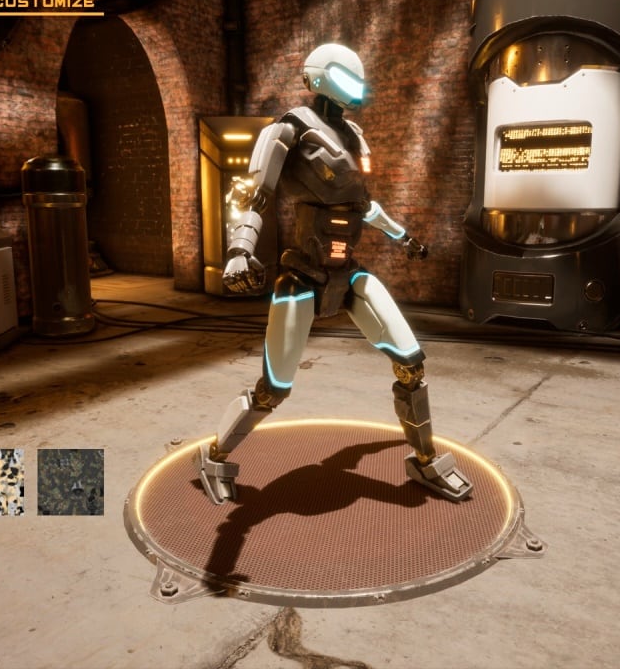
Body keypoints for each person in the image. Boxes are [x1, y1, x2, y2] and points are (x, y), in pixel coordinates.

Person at [196, 43, 473, 505]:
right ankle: (214, 456)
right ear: (320, 77)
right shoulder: (290, 128)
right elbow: (253, 192)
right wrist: (240, 249)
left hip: (348, 275)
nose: (355, 88)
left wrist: (404, 237)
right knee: (273, 391)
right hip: (302, 276)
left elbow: (364, 206)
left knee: (411, 364)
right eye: (346, 78)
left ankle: (425, 460)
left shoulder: (354, 136)